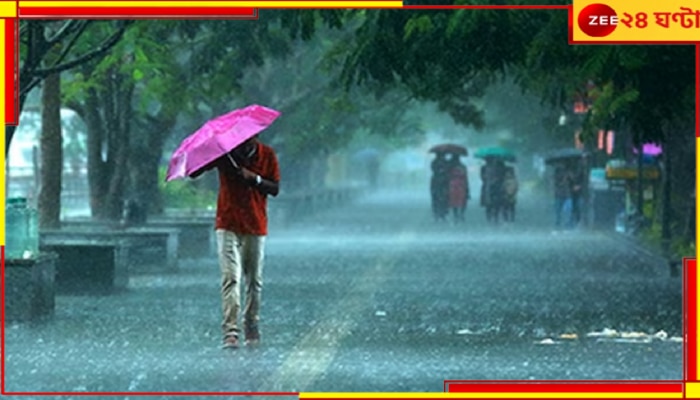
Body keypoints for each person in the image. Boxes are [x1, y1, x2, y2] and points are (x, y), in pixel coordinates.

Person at [191, 136, 280, 349]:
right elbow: (194, 172)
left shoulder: (267, 155)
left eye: (248, 140)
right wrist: (207, 153)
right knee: (230, 277)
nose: (243, 143)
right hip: (227, 222)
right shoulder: (225, 154)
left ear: (256, 137)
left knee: (254, 280)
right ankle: (230, 331)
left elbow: (275, 188)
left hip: (255, 224)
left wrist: (255, 179)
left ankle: (251, 323)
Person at [446, 154, 470, 223]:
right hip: (461, 185)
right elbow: (465, 177)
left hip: (453, 185)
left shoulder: (450, 167)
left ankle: (456, 214)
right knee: (461, 199)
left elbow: (447, 176)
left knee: (455, 200)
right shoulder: (462, 167)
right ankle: (461, 214)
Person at [430, 152, 450, 221]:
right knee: (439, 198)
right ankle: (439, 213)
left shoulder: (436, 162)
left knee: (441, 198)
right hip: (440, 181)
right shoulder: (438, 162)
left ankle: (440, 213)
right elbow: (434, 169)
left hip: (441, 181)